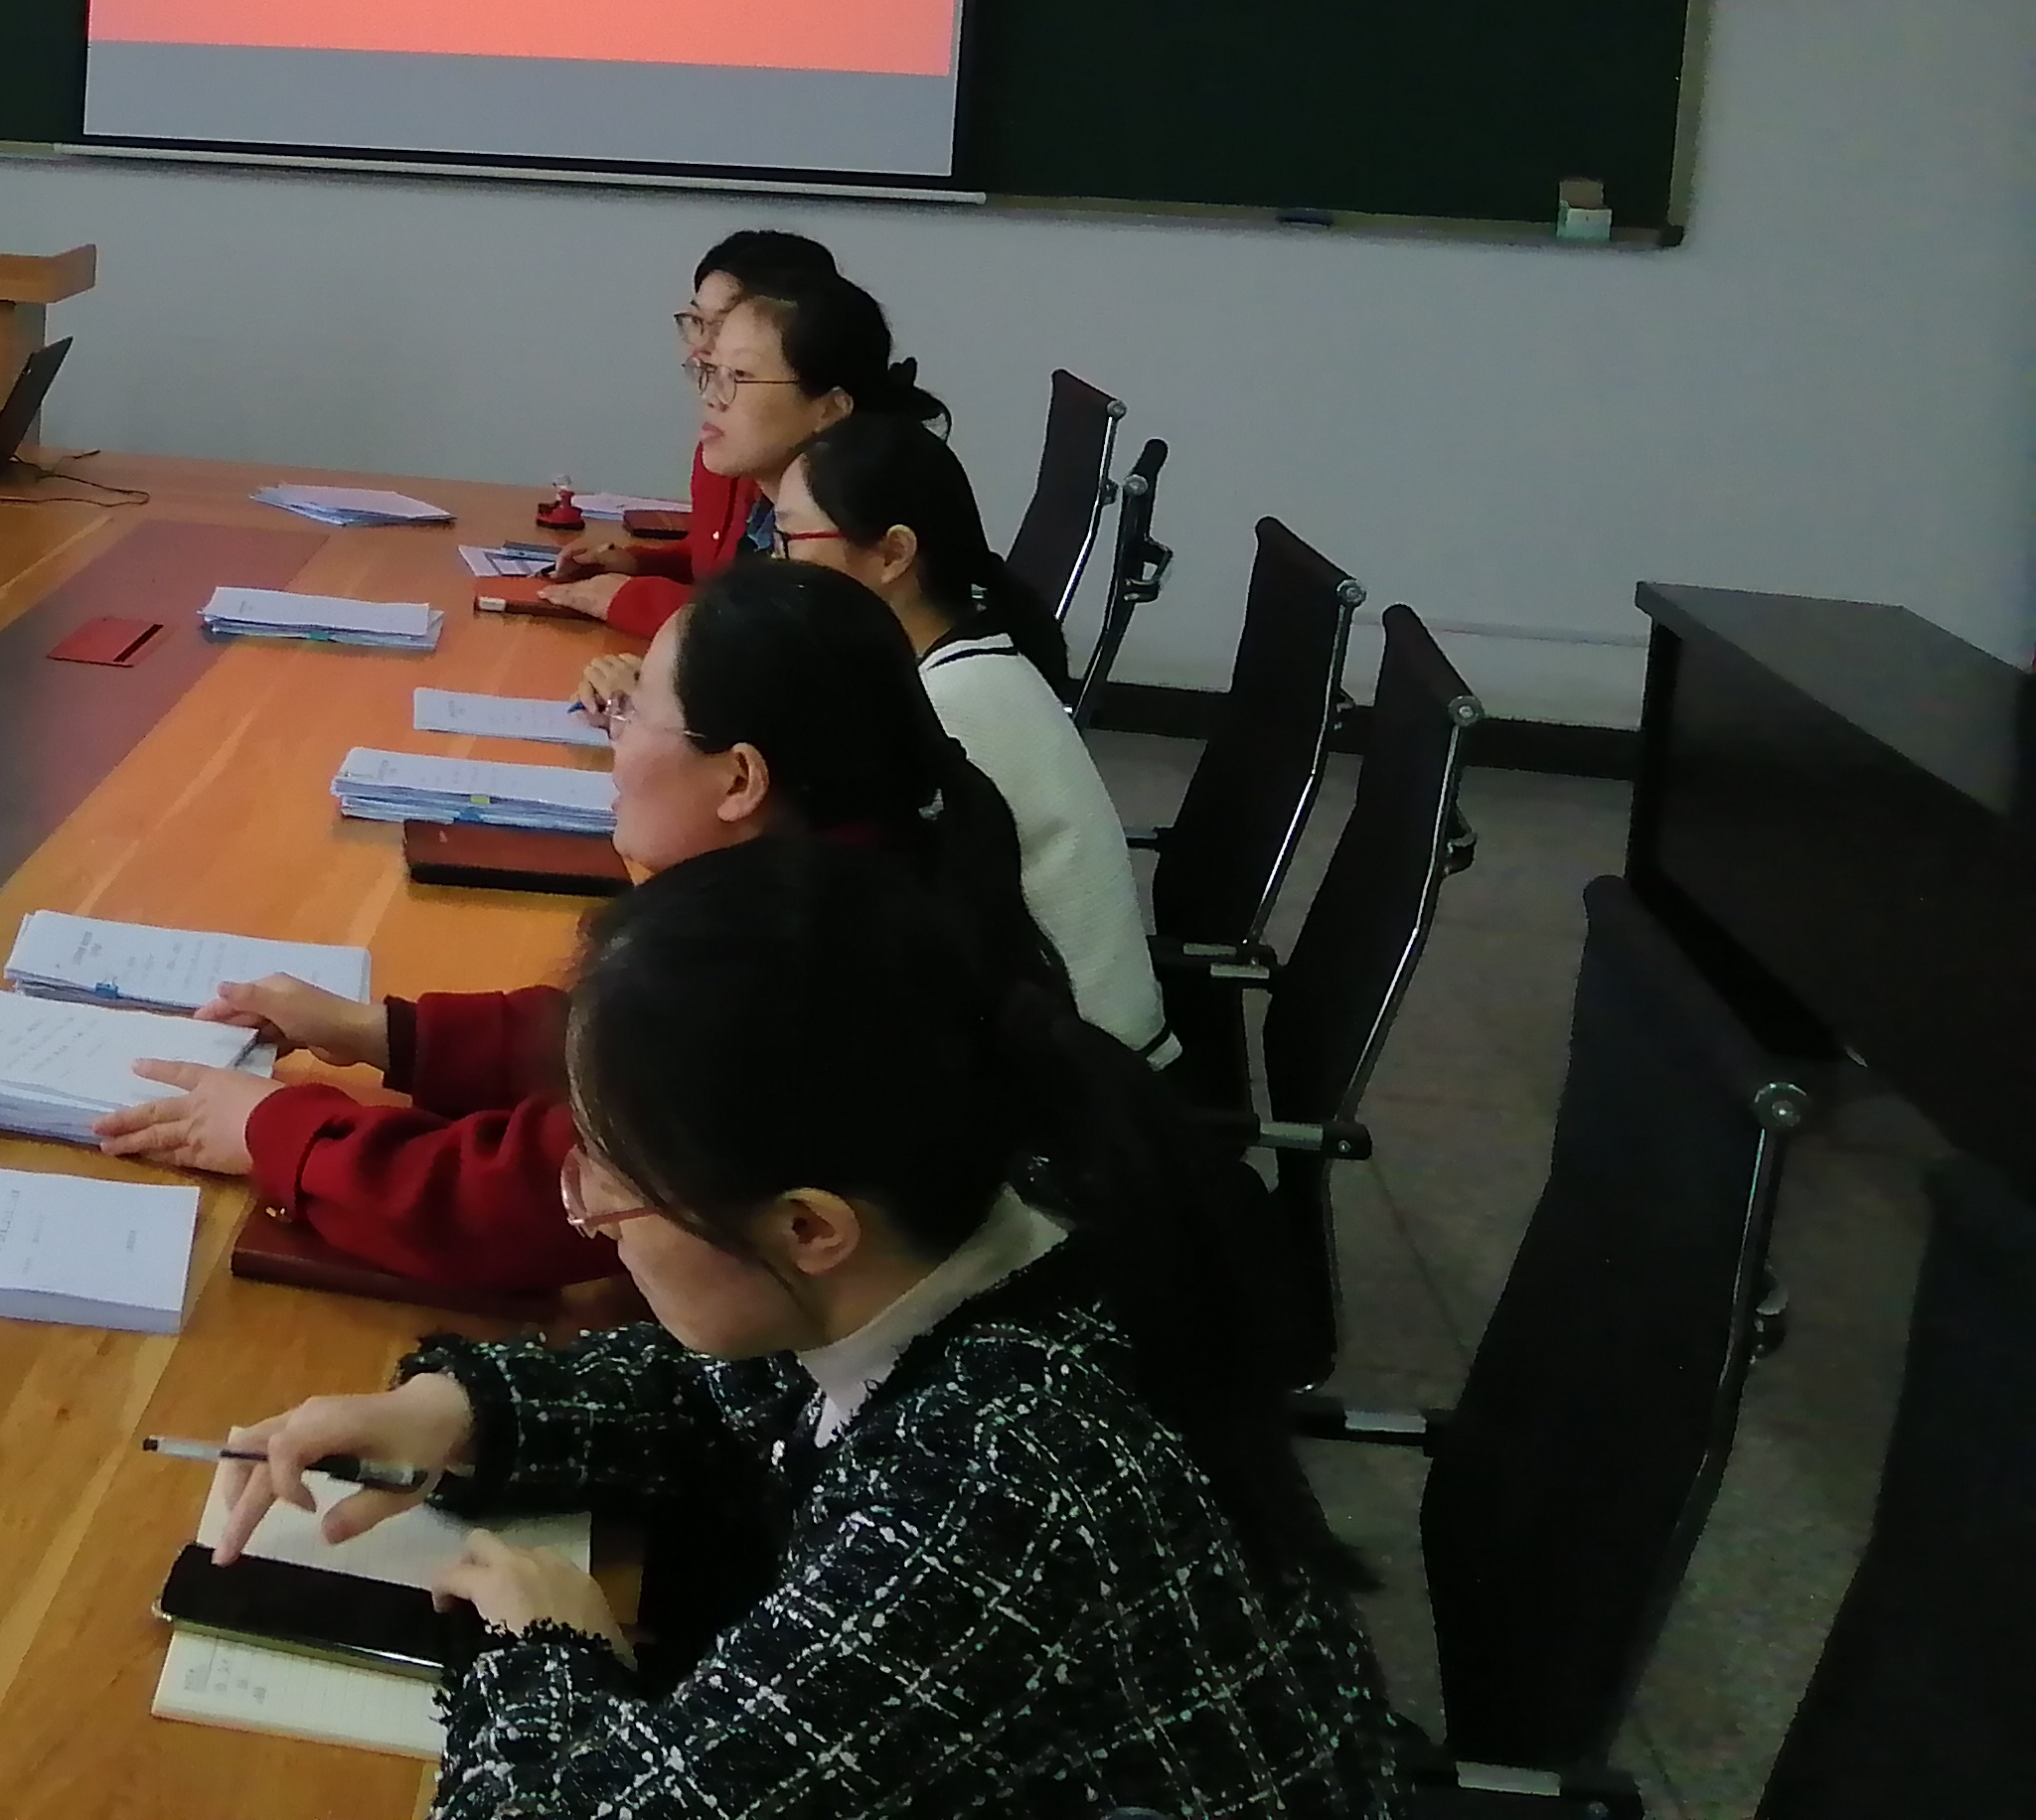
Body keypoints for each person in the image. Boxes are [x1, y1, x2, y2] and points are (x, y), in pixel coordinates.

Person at [210, 839, 1395, 1820]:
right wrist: (456, 1408)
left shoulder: (986, 1494)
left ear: (807, 1226)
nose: (582, 1214)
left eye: (609, 1183)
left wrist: (540, 1642)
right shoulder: (970, 1211)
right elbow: (729, 1389)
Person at [95, 563, 1062, 1295]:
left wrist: (270, 1129)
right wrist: (388, 1034)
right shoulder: (851, 873)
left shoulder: (786, 964)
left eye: (635, 712)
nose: (612, 736)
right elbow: (618, 1043)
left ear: (740, 779)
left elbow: (516, 1207)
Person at [777, 414, 1165, 1059]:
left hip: (1075, 1078)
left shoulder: (953, 705)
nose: (776, 563)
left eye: (789, 538)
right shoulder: (958, 660)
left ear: (893, 554)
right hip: (1045, 1037)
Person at [544, 271, 941, 645]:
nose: (711, 396)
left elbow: (782, 644)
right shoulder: (766, 509)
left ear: (830, 408)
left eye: (741, 376)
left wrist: (634, 599)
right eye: (711, 371)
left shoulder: (842, 533)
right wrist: (636, 565)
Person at [534, 228, 835, 610]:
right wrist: (638, 565)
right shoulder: (738, 446)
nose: (701, 351)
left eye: (726, 328)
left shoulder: (835, 500)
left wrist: (636, 600)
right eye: (696, 321)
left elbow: (771, 628)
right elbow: (714, 564)